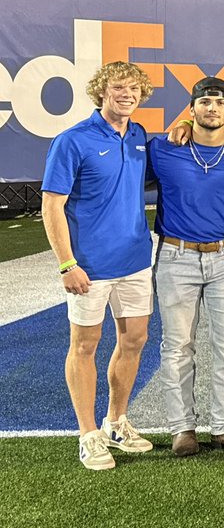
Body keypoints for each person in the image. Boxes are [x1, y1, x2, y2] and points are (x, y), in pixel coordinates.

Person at [41, 62, 157, 471]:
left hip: (136, 262)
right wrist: (66, 264)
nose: (126, 94)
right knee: (85, 345)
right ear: (101, 92)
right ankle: (88, 434)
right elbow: (51, 205)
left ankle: (115, 423)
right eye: (118, 87)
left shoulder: (140, 136)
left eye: (133, 89)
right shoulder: (72, 141)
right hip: (88, 266)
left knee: (134, 341)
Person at [150, 78, 224, 457]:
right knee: (178, 346)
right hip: (176, 257)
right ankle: (183, 429)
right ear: (191, 109)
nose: (212, 108)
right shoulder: (164, 147)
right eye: (205, 102)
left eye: (219, 102)